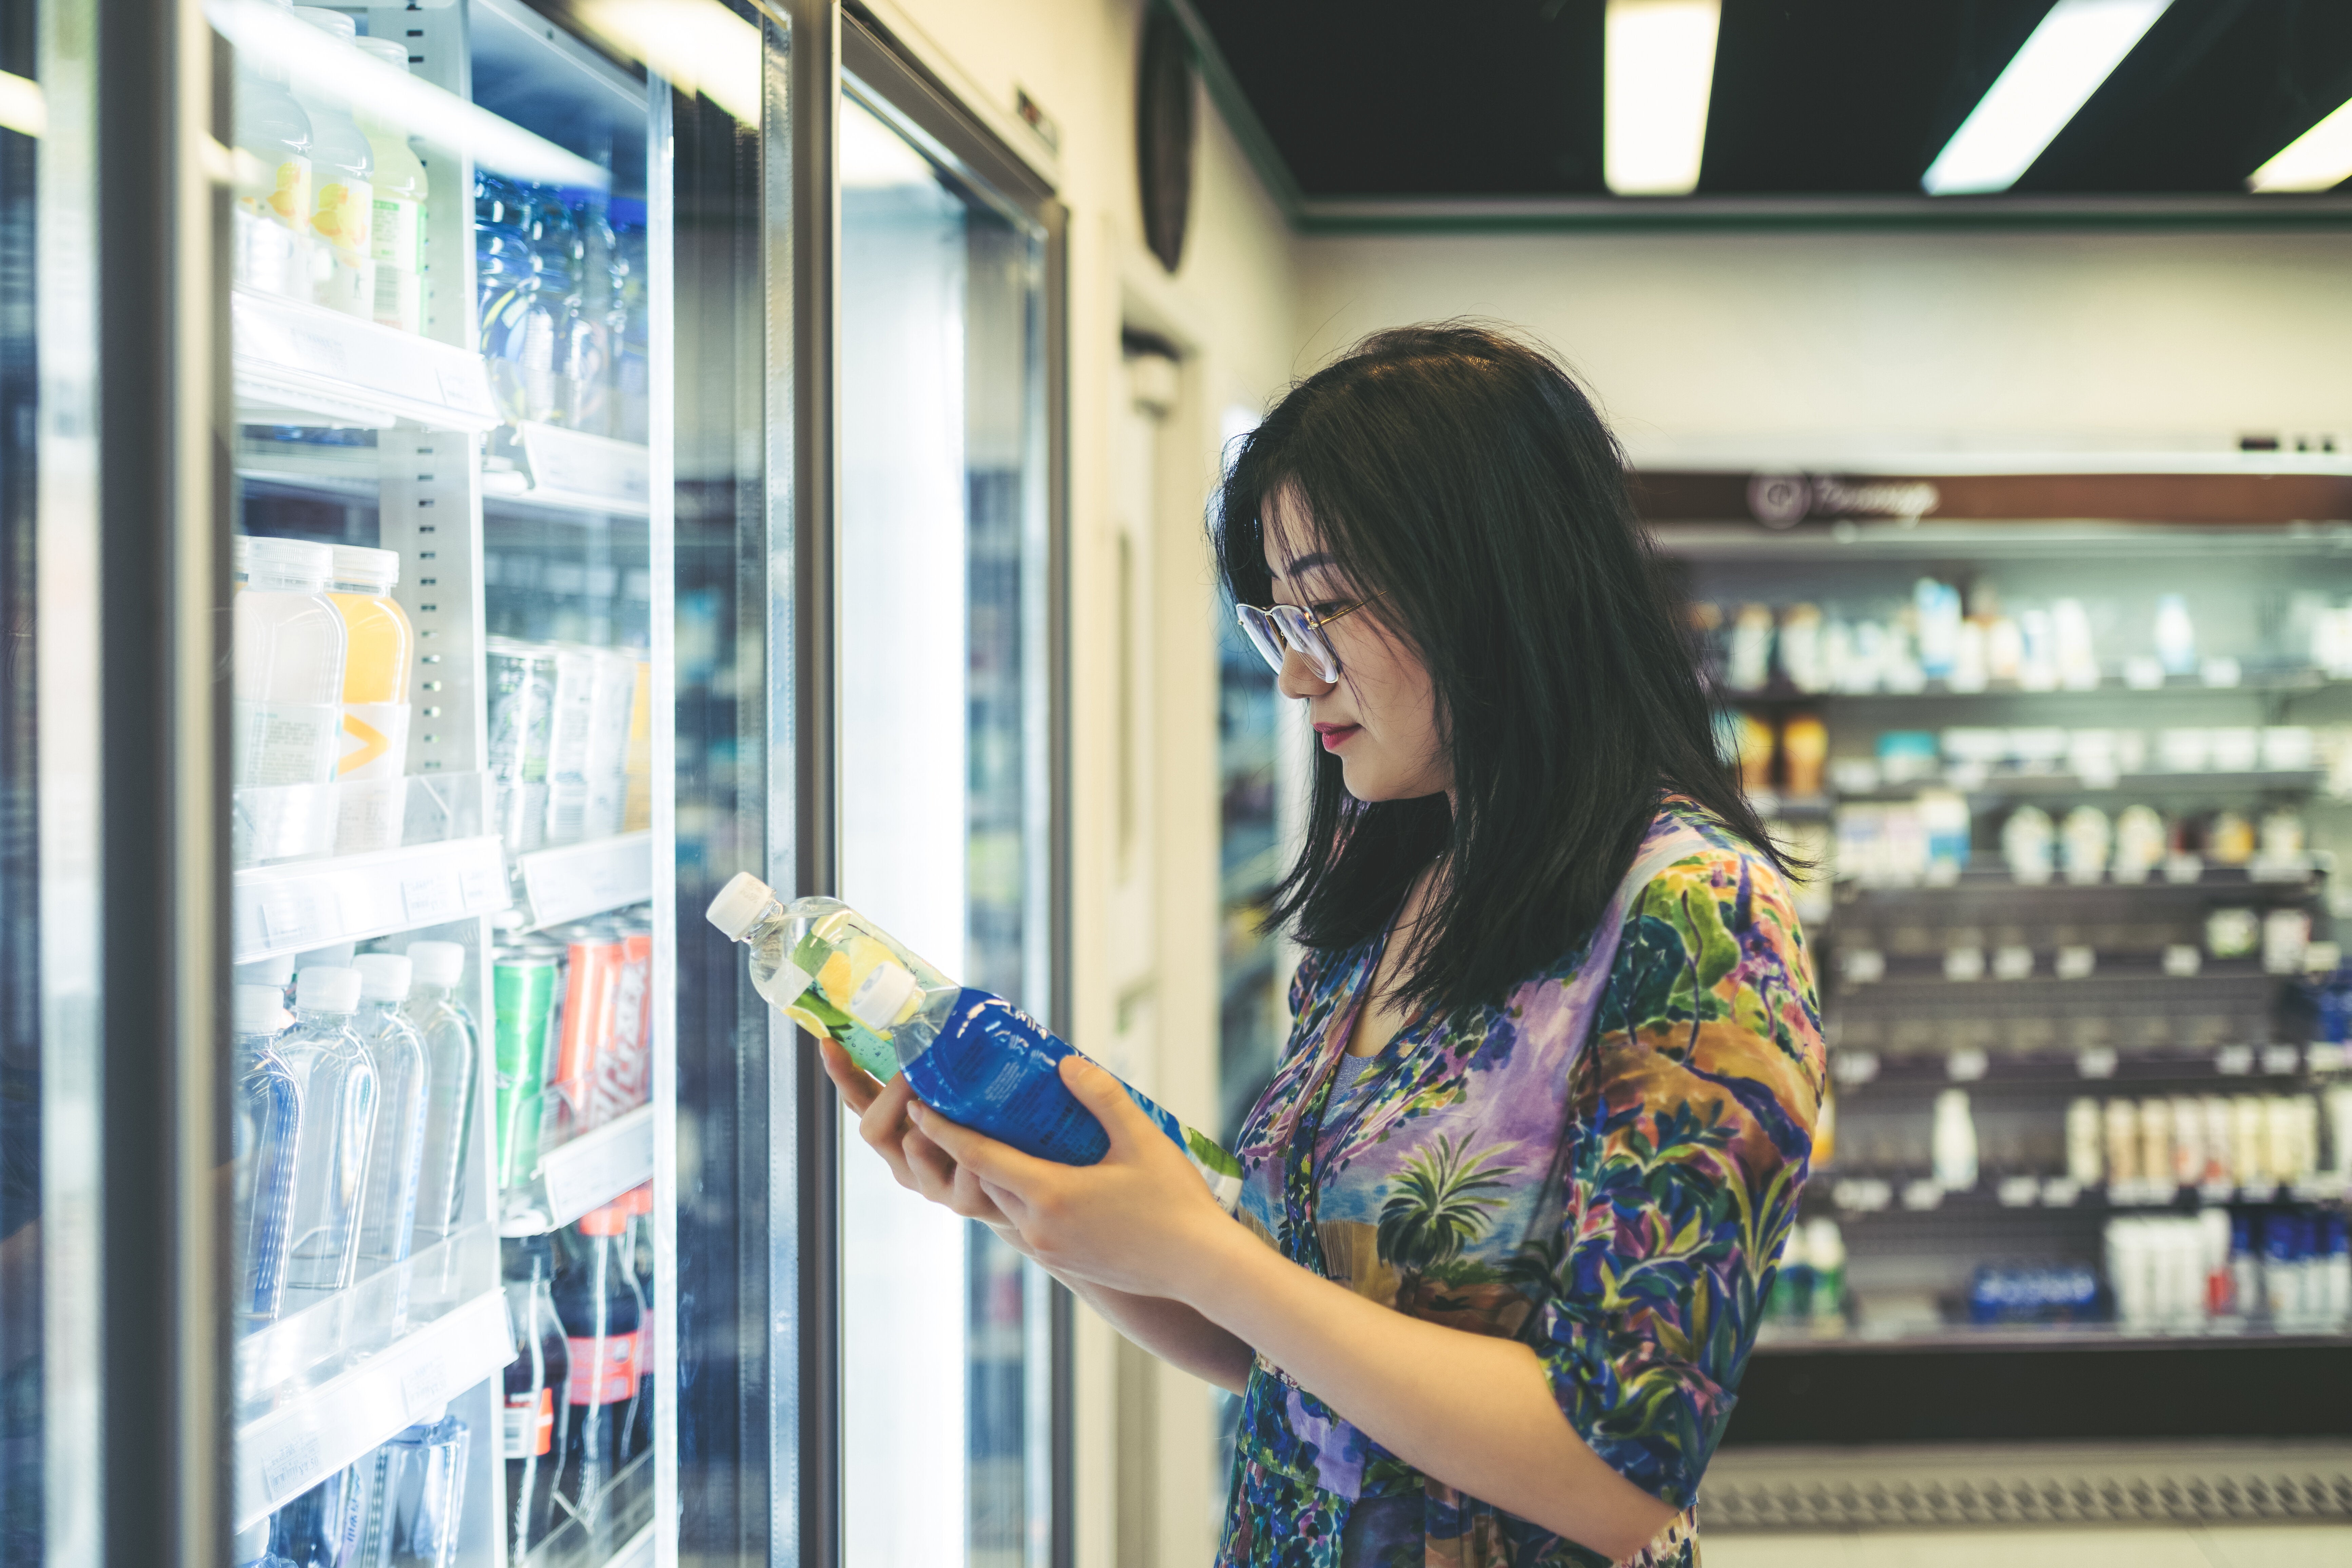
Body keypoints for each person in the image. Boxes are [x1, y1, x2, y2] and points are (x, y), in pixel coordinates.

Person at [821, 323, 1824, 1567]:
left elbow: (1619, 1471)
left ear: (1495, 586)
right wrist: (1050, 1214)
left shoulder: (1696, 916)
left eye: (1331, 610)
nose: (1297, 678)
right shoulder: (1399, 878)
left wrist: (1201, 1251)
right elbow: (1282, 1348)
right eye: (1275, 620)